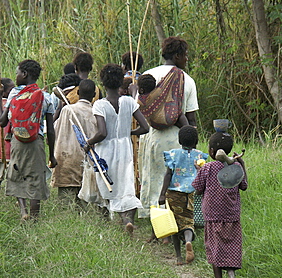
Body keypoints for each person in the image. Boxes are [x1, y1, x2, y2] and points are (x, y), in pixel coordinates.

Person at [138, 36, 199, 226]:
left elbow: (137, 108)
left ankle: (153, 219)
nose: (187, 59)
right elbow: (191, 118)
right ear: (178, 55)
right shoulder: (186, 80)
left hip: (150, 135)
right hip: (175, 138)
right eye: (186, 55)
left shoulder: (147, 75)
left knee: (152, 177)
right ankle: (173, 220)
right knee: (173, 181)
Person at [84, 63, 149, 234]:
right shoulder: (128, 102)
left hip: (106, 150)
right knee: (126, 183)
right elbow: (145, 128)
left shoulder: (99, 105)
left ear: (103, 83)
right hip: (125, 148)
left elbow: (102, 132)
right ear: (121, 82)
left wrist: (88, 143)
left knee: (107, 184)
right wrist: (129, 133)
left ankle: (106, 221)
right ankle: (127, 220)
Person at [0, 59, 57, 221]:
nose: (15, 76)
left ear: (24, 74)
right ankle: (35, 217)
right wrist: (52, 155)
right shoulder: (45, 96)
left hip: (17, 140)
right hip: (37, 141)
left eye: (17, 73)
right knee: (36, 176)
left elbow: (2, 121)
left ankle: (23, 211)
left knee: (16, 173)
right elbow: (50, 129)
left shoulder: (15, 93)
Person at [192, 132, 248, 278]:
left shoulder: (207, 168)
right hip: (232, 217)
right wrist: (242, 165)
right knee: (231, 248)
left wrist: (199, 171)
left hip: (212, 216)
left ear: (211, 151)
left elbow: (198, 190)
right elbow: (244, 186)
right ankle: (231, 273)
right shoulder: (236, 167)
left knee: (215, 249)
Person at [158, 125, 208, 265]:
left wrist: (162, 194)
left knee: (174, 225)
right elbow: (203, 175)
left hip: (174, 193)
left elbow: (168, 175)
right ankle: (187, 241)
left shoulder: (173, 154)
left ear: (179, 140)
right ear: (196, 140)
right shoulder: (199, 156)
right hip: (192, 193)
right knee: (188, 222)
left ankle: (179, 257)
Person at [51, 79, 98, 203]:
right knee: (84, 201)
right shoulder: (95, 113)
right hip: (86, 161)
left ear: (77, 92)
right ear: (94, 95)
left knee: (65, 202)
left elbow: (54, 130)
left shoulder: (67, 110)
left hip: (66, 160)